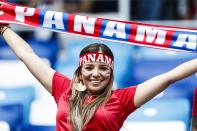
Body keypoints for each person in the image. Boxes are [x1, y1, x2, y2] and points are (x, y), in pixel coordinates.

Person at [0, 22, 196, 131]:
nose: (96, 74)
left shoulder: (122, 99)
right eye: (89, 68)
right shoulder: (62, 88)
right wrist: (3, 28)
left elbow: (170, 77)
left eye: (103, 68)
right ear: (80, 72)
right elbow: (27, 55)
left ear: (111, 73)